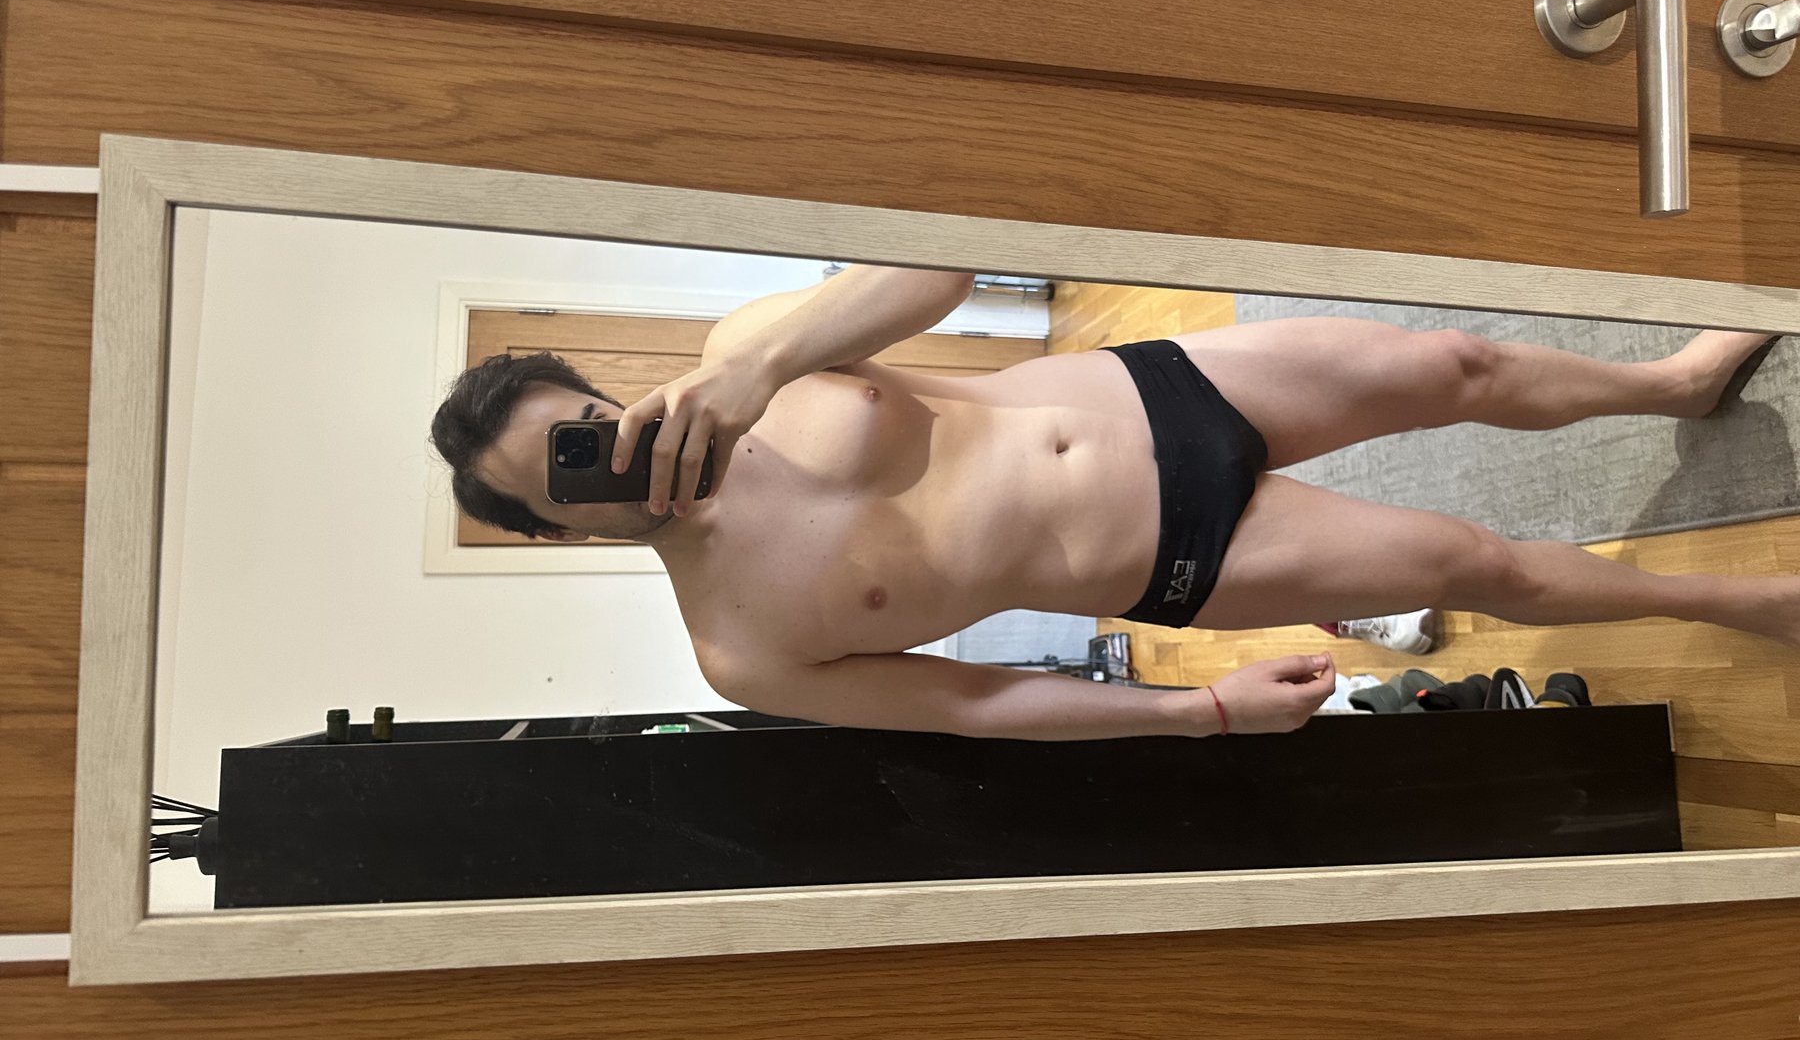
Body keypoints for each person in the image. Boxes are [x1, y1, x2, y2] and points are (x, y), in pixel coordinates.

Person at [430, 265, 1786, 742]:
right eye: (570, 477)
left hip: (1158, 390)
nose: (611, 461)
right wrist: (1195, 713)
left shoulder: (747, 350)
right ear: (561, 530)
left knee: (1452, 366)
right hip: (1180, 556)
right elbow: (975, 704)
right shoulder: (740, 645)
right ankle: (1743, 602)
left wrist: (765, 363)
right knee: (1481, 563)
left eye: (587, 428)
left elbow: (943, 258)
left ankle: (1668, 386)